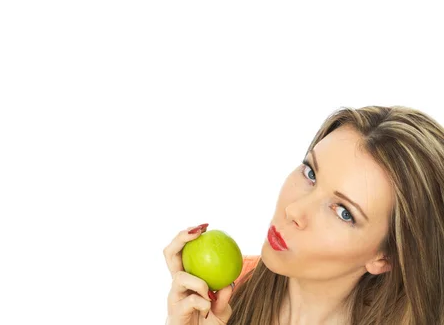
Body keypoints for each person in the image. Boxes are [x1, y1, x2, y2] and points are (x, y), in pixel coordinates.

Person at [163, 105, 444, 325]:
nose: (294, 209)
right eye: (311, 173)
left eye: (344, 212)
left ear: (384, 258)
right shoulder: (225, 295)